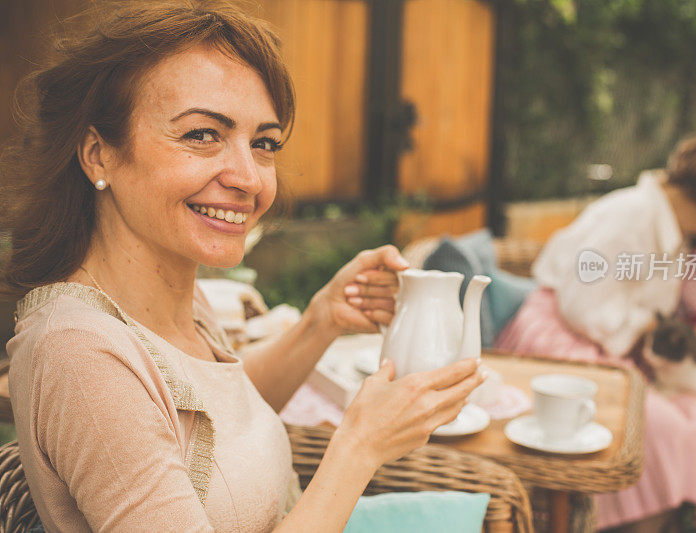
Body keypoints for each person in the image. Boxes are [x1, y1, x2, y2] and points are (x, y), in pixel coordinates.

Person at [0, 2, 485, 531]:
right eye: (202, 134)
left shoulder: (176, 295)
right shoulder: (78, 354)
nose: (249, 178)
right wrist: (359, 448)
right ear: (98, 154)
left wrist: (323, 320)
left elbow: (212, 419)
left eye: (263, 143)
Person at [495, 125, 696, 532]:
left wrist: (691, 335)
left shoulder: (674, 229)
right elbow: (585, 308)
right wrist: (652, 329)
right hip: (565, 338)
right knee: (660, 428)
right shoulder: (630, 218)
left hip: (614, 343)